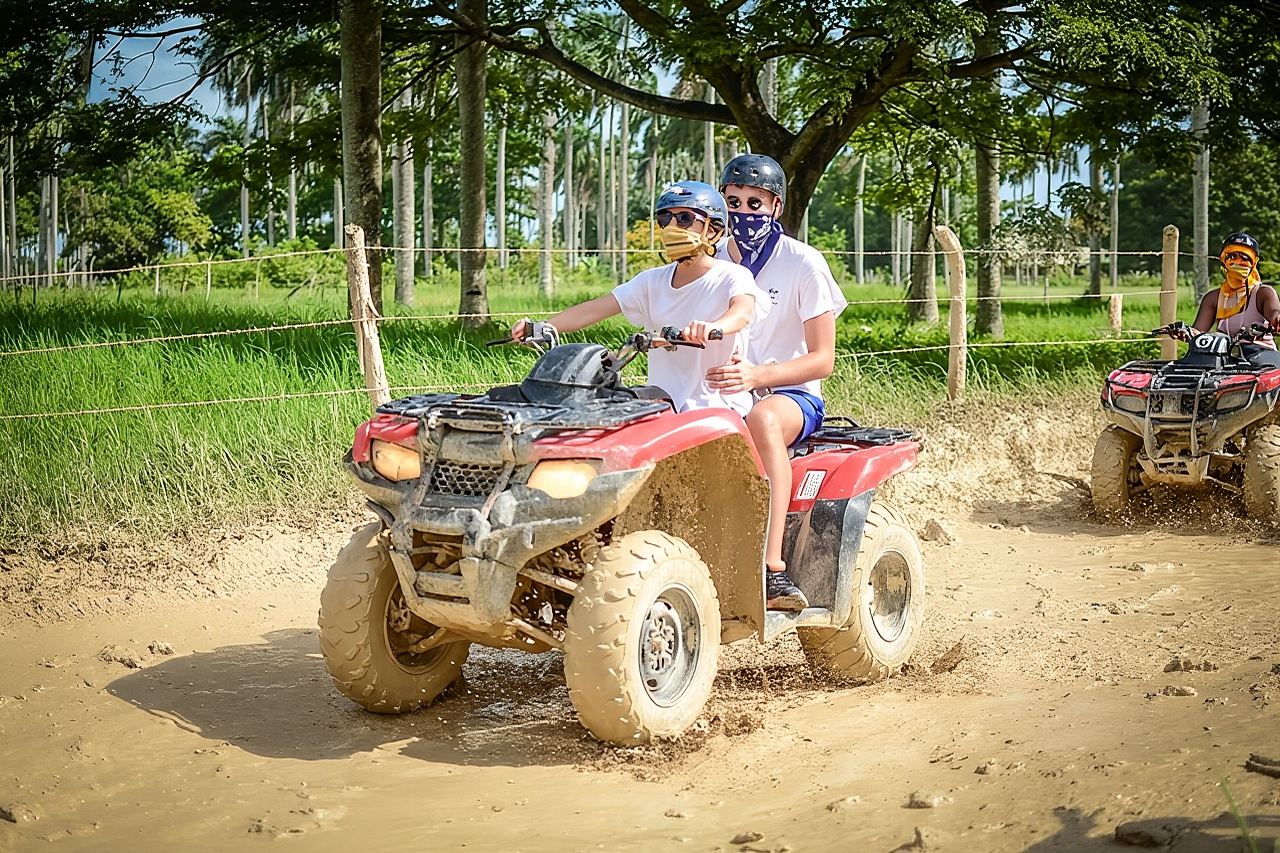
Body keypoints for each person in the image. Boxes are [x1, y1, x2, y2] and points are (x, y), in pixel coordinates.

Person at [705, 154, 848, 612]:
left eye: (754, 202)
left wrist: (759, 376)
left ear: (776, 207)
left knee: (764, 419)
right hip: (725, 389)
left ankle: (772, 570)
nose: (742, 213)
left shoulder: (803, 263)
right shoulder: (711, 264)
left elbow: (823, 359)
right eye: (732, 201)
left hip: (790, 396)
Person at [510, 181, 763, 414]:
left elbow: (742, 312)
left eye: (685, 218)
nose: (672, 227)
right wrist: (543, 326)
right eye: (665, 218)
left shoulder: (732, 275)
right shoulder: (651, 281)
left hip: (717, 405)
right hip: (661, 403)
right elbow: (594, 309)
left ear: (713, 230)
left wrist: (714, 327)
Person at [1184, 232, 1280, 368]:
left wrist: (1277, 320)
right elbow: (1198, 332)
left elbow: (1274, 313)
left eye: (1245, 258)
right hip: (1223, 354)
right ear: (1223, 260)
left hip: (1260, 352)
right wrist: (1186, 332)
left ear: (1254, 263)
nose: (1238, 262)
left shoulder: (1263, 293)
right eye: (1232, 256)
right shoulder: (1213, 298)